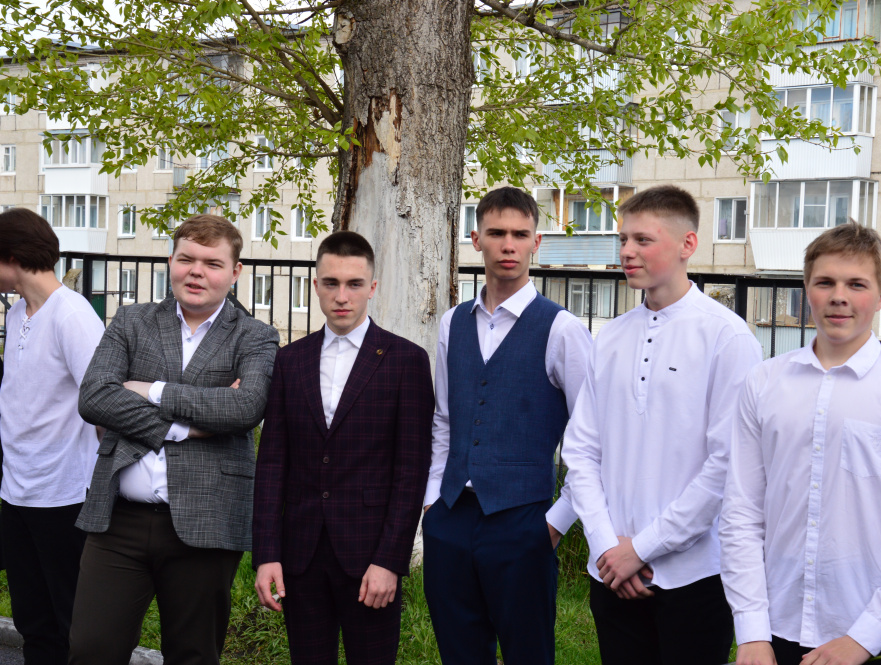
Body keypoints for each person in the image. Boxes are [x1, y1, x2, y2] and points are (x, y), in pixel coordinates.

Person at [720, 222, 881, 665]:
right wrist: (751, 630)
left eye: (856, 284)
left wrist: (864, 638)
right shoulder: (763, 382)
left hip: (878, 639)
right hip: (775, 632)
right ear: (806, 289)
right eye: (825, 282)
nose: (839, 296)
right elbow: (741, 513)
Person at [560, 184, 762, 665]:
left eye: (643, 240)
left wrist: (643, 548)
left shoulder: (727, 338)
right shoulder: (611, 336)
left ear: (687, 244)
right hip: (611, 572)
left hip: (694, 576)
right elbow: (581, 451)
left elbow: (727, 465)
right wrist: (608, 547)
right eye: (623, 239)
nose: (627, 251)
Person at [69, 214, 280, 665]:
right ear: (170, 262)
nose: (196, 271)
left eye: (212, 263)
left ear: (235, 272)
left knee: (193, 654)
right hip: (118, 521)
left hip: (207, 520)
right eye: (186, 259)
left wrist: (151, 390)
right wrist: (182, 427)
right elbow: (95, 397)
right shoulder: (132, 320)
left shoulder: (256, 336)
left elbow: (245, 408)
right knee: (90, 649)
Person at [422, 186, 593, 665]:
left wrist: (556, 523)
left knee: (528, 653)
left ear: (537, 242)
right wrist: (432, 504)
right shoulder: (452, 322)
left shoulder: (562, 329)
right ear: (476, 239)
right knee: (459, 652)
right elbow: (444, 419)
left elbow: (592, 437)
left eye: (520, 234)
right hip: (451, 516)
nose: (508, 245)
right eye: (497, 233)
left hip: (524, 520)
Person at [253, 231, 434, 665]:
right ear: (315, 285)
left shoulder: (406, 360)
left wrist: (390, 560)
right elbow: (272, 462)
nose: (341, 296)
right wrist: (267, 554)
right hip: (301, 555)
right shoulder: (290, 360)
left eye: (354, 284)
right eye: (331, 283)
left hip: (370, 557)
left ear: (372, 287)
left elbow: (412, 471)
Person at [0, 208, 105, 665]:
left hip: (64, 496)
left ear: (12, 257)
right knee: (32, 620)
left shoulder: (73, 315)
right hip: (16, 491)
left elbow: (104, 402)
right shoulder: (16, 313)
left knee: (71, 623)